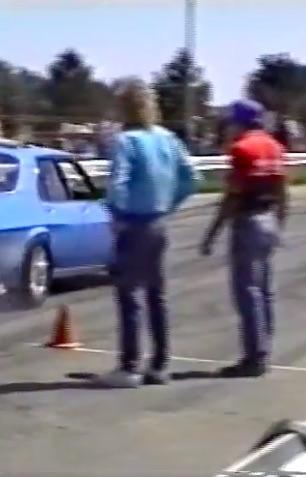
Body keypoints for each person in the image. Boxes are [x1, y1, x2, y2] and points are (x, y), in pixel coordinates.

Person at [94, 80, 198, 388]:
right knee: (157, 295)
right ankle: (160, 364)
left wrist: (117, 214)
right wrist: (170, 203)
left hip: (134, 222)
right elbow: (191, 179)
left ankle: (130, 366)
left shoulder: (126, 141)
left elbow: (118, 183)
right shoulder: (168, 139)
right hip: (159, 221)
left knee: (129, 294)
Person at [199, 99, 288, 377]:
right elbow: (283, 190)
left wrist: (213, 232)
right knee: (265, 290)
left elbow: (232, 196)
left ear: (239, 121)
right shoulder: (275, 146)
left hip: (248, 221)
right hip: (269, 217)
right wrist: (280, 223)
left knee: (247, 292)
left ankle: (254, 357)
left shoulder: (241, 149)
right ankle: (264, 350)